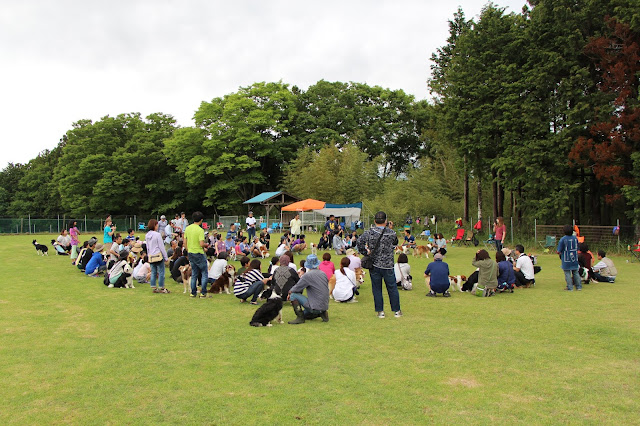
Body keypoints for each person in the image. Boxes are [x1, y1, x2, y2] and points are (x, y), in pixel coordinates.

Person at [356, 211, 402, 318]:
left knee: (377, 288)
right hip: (388, 264)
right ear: (386, 221)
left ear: (374, 221)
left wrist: (365, 252)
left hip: (374, 264)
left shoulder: (370, 232)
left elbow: (359, 242)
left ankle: (380, 311)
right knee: (392, 287)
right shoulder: (392, 233)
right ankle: (397, 311)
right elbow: (395, 243)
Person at [287, 254, 330, 324]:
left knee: (293, 295)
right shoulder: (323, 273)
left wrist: (289, 292)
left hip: (315, 306)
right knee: (305, 314)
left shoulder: (307, 276)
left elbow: (296, 288)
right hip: (324, 305)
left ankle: (300, 318)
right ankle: (321, 313)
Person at [184, 211, 209, 298]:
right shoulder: (200, 230)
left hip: (191, 252)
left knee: (194, 273)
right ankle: (203, 292)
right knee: (204, 272)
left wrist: (188, 250)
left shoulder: (187, 228)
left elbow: (185, 242)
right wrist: (206, 245)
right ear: (201, 220)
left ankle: (193, 292)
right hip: (199, 253)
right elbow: (201, 243)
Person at [146, 219, 169, 293]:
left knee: (153, 272)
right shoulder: (157, 235)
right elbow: (161, 246)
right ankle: (161, 287)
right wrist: (165, 257)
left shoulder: (147, 235)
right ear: (155, 226)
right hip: (158, 255)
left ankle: (153, 286)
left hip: (151, 255)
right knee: (161, 272)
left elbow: (147, 247)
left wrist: (148, 255)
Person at [557, 224, 581, 291]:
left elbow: (559, 250)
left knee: (567, 273)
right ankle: (579, 287)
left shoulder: (563, 239)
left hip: (566, 259)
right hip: (574, 258)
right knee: (575, 272)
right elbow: (578, 248)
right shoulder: (575, 238)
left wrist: (559, 252)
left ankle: (570, 287)